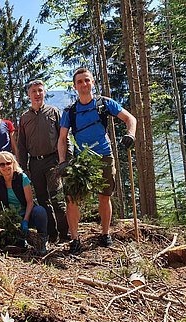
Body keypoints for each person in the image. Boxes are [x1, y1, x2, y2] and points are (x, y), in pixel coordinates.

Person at [57, 67, 137, 254]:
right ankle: (75, 239)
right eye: (80, 81)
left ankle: (105, 234)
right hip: (81, 161)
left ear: (93, 82)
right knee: (72, 199)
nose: (84, 84)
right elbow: (62, 139)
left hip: (104, 156)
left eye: (87, 80)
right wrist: (62, 161)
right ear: (75, 86)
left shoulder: (105, 104)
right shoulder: (70, 111)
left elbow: (130, 119)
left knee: (104, 196)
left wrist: (130, 135)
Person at [17, 79, 69, 243]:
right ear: (28, 95)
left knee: (57, 198)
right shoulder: (24, 118)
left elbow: (63, 137)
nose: (37, 94)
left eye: (40, 90)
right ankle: (52, 234)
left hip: (53, 161)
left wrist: (66, 160)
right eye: (34, 91)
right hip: (35, 164)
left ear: (44, 92)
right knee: (42, 200)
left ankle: (65, 233)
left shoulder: (54, 112)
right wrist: (23, 168)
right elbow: (22, 145)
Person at [0, 151, 48, 255]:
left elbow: (30, 202)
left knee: (40, 211)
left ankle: (42, 241)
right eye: (2, 164)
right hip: (12, 218)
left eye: (8, 163)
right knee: (16, 242)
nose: (5, 166)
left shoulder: (22, 178)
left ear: (13, 163)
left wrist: (25, 220)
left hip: (28, 215)